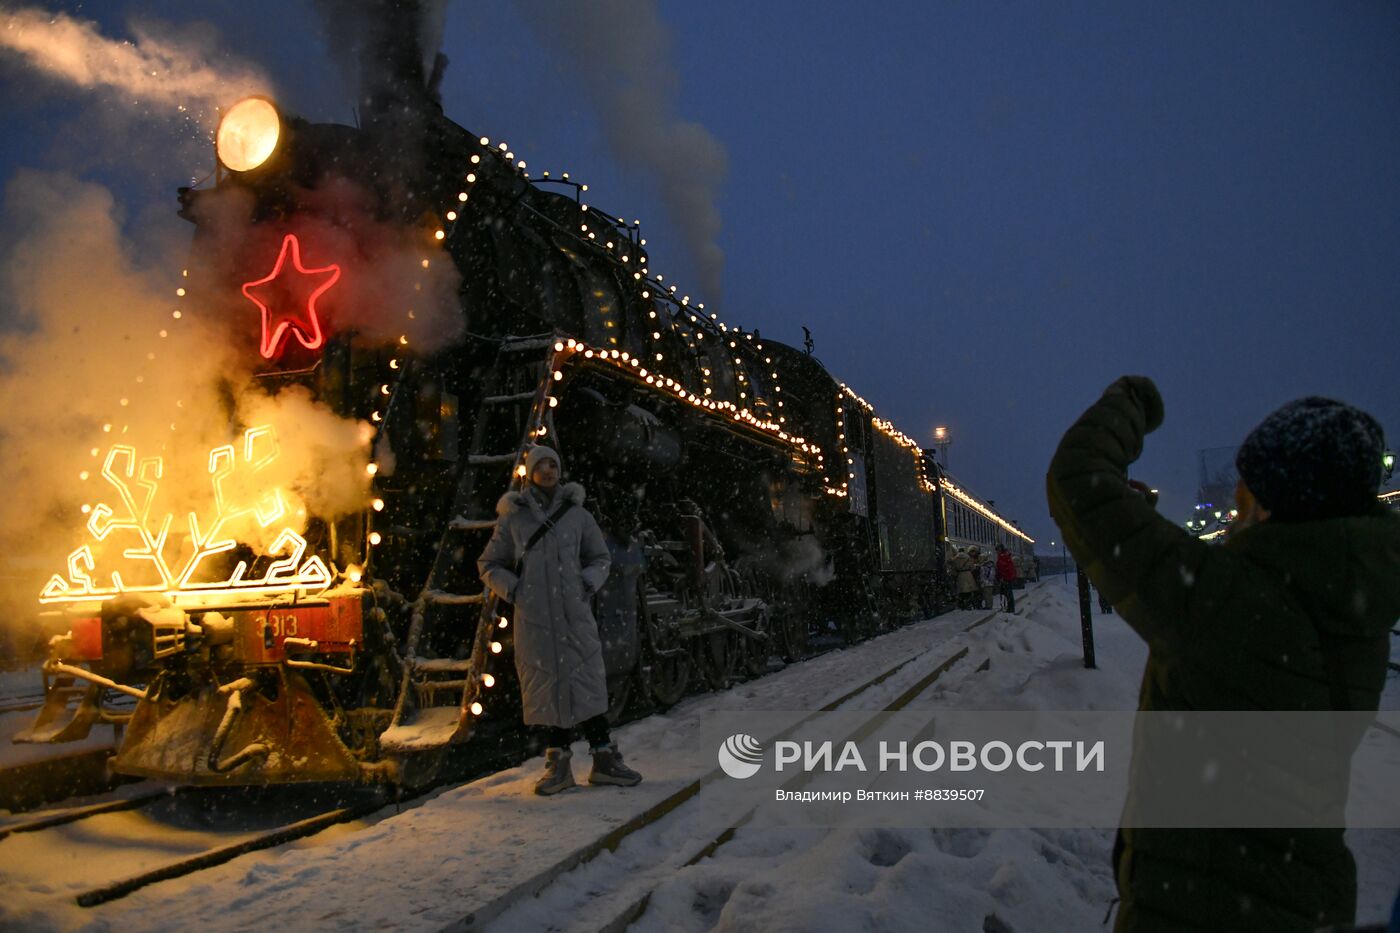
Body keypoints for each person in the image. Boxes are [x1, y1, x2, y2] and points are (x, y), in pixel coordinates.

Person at [1047, 377, 1400, 932]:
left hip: (1200, 904)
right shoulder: (1352, 607)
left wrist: (1131, 400)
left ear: (1273, 507)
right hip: (1302, 894)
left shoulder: (1233, 606)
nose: (1235, 517)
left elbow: (1078, 481)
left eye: (1244, 500)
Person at [478, 445, 643, 795]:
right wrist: (515, 590)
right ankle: (559, 764)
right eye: (542, 465)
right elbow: (489, 563)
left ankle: (604, 758)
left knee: (586, 680)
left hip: (574, 612)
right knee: (548, 684)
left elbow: (600, 557)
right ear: (530, 472)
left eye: (554, 464)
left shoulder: (578, 515)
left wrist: (586, 582)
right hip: (535, 616)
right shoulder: (514, 517)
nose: (549, 470)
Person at [994, 543, 1018, 613]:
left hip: (1005, 579)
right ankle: (1010, 608)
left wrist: (1001, 577)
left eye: (997, 550)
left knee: (1008, 594)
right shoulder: (1005, 557)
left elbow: (1002, 569)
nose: (996, 552)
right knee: (1008, 594)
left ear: (1000, 549)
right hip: (1007, 578)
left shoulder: (1003, 557)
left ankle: (1010, 609)